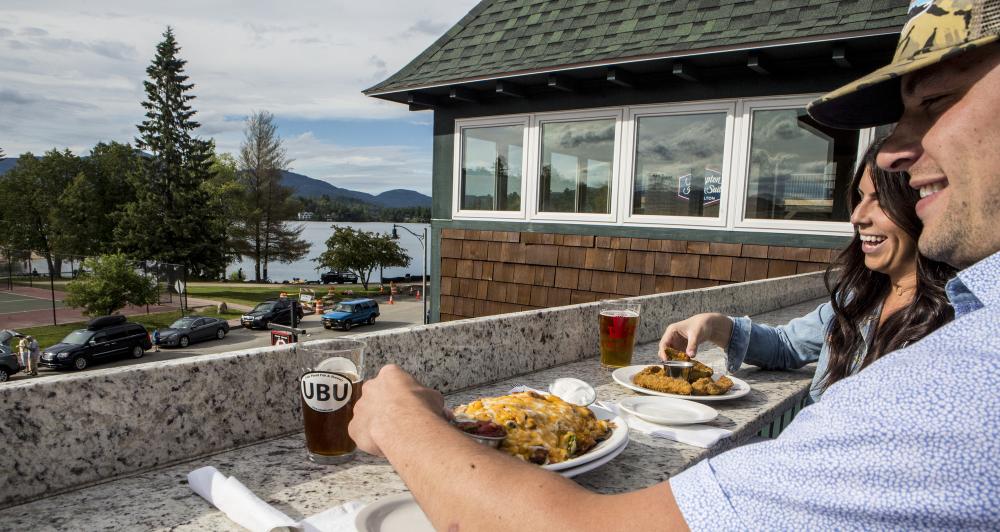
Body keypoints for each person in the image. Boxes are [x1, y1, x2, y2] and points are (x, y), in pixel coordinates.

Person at [347, 1, 1000, 529]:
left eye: (937, 101)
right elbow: (794, 345)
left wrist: (404, 425)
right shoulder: (897, 310)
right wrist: (722, 325)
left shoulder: (964, 380)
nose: (894, 156)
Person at [658, 140, 955, 403]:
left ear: (923, 205)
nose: (857, 216)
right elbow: (785, 346)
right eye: (860, 198)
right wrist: (712, 325)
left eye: (880, 202)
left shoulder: (959, 320)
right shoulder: (856, 300)